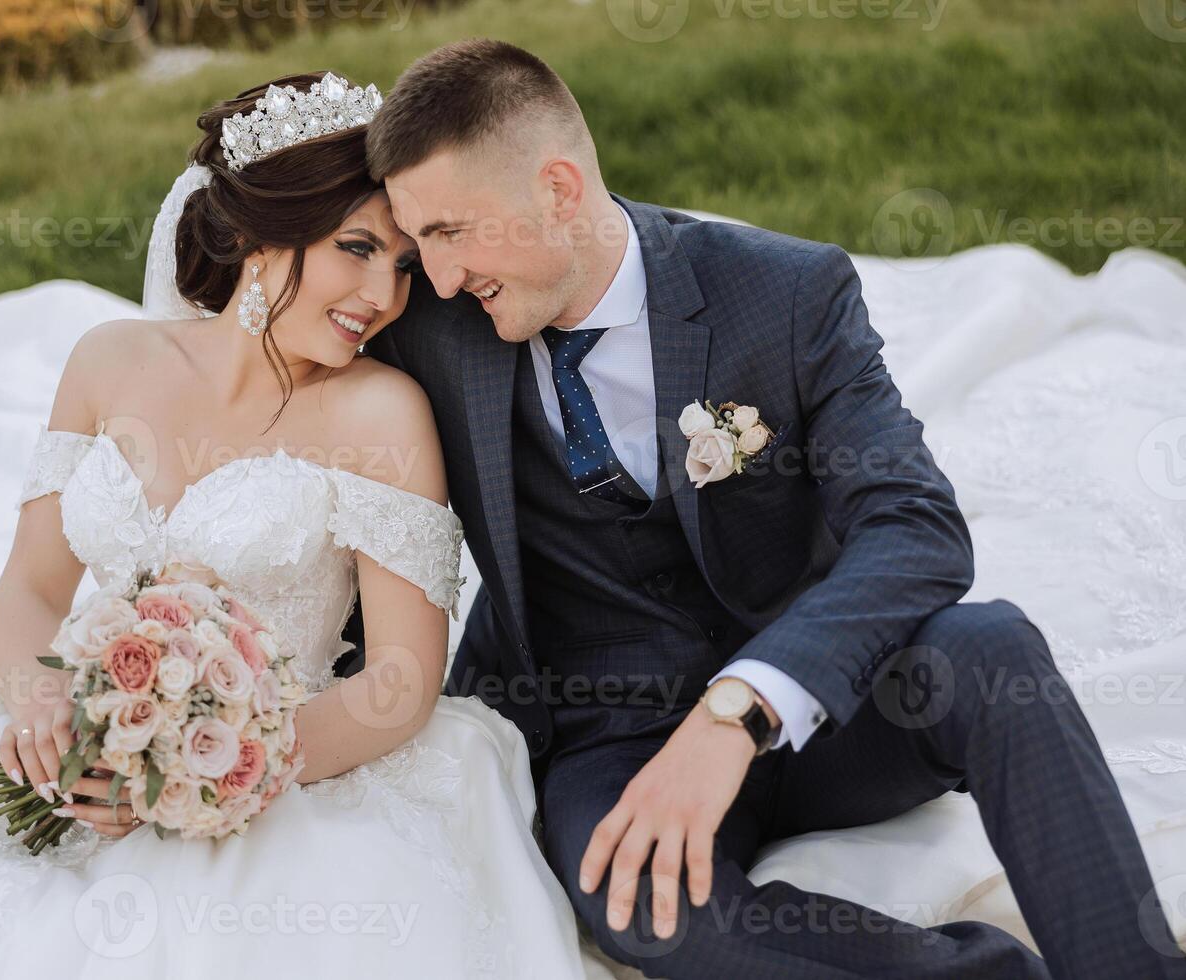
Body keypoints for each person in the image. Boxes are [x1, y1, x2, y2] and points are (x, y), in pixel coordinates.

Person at [0, 71, 596, 980]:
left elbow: (404, 682)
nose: (383, 293)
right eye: (356, 248)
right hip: (92, 724)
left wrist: (204, 772)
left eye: (404, 265)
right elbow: (30, 586)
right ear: (260, 237)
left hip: (293, 766)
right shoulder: (109, 362)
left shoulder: (382, 415)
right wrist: (37, 698)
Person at [362, 38, 1186, 979]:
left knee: (994, 649)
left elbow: (913, 525)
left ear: (556, 188)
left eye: (451, 233)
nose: (432, 277)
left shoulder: (786, 292)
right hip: (611, 732)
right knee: (647, 909)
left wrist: (739, 710)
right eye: (416, 238)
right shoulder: (431, 334)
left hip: (830, 711)